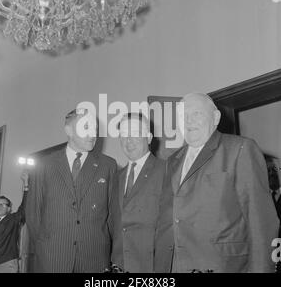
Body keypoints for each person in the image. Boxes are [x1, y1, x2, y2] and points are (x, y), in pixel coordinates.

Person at [154, 92, 279, 273]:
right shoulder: (172, 160)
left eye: (196, 113)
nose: (188, 121)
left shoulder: (240, 149)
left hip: (223, 266)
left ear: (215, 117)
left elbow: (262, 223)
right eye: (183, 116)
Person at [25, 107, 117, 273]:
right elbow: (33, 214)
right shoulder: (45, 165)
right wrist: (45, 246)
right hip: (52, 258)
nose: (93, 134)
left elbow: (112, 215)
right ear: (69, 130)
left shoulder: (108, 165)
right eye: (86, 128)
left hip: (94, 259)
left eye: (95, 129)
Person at [111, 113, 166, 272]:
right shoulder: (116, 177)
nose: (128, 140)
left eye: (135, 133)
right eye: (123, 135)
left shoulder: (167, 171)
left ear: (149, 138)